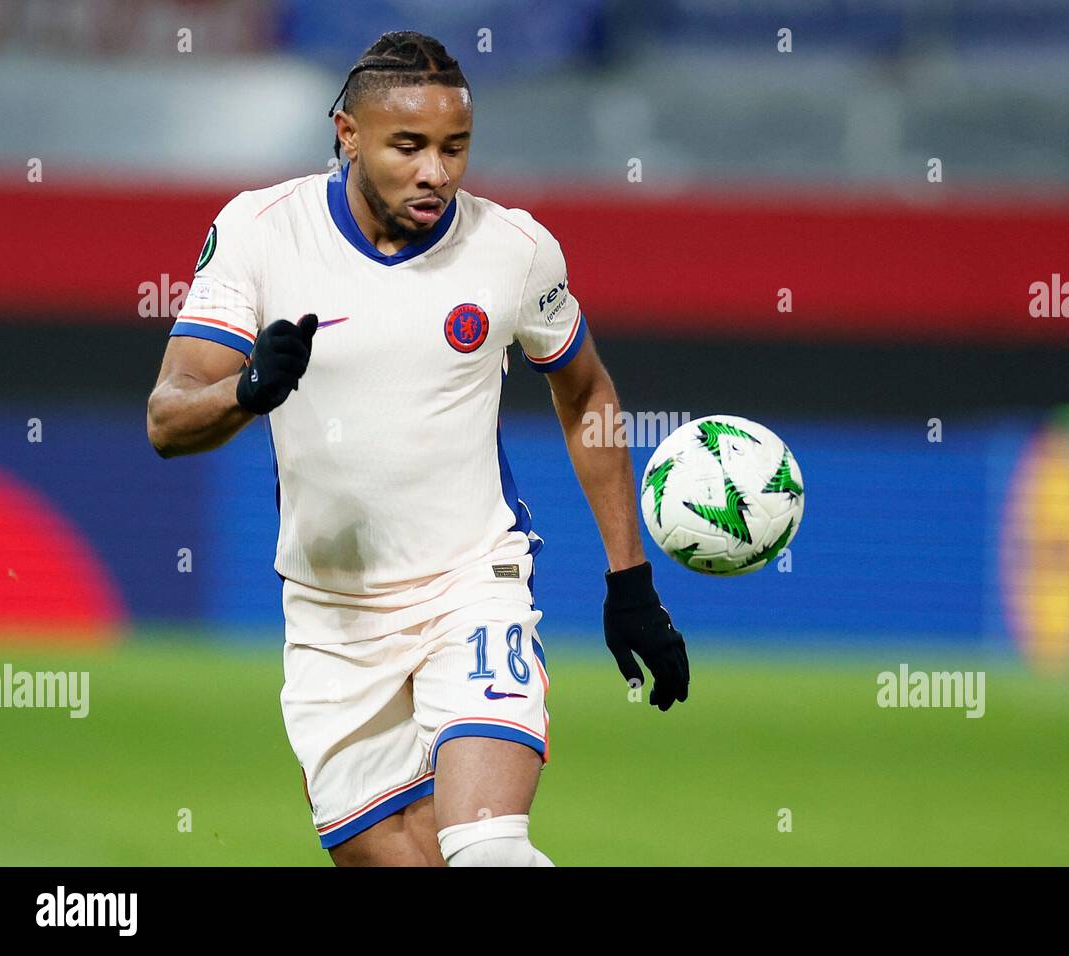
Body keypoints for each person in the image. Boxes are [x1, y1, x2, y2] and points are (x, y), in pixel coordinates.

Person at [146, 30, 689, 867]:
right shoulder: (260, 231)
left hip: (471, 587)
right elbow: (169, 417)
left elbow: (585, 394)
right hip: (332, 621)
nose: (437, 171)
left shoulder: (513, 249)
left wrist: (632, 582)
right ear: (347, 133)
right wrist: (248, 390)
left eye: (455, 147)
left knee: (488, 847)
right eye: (410, 146)